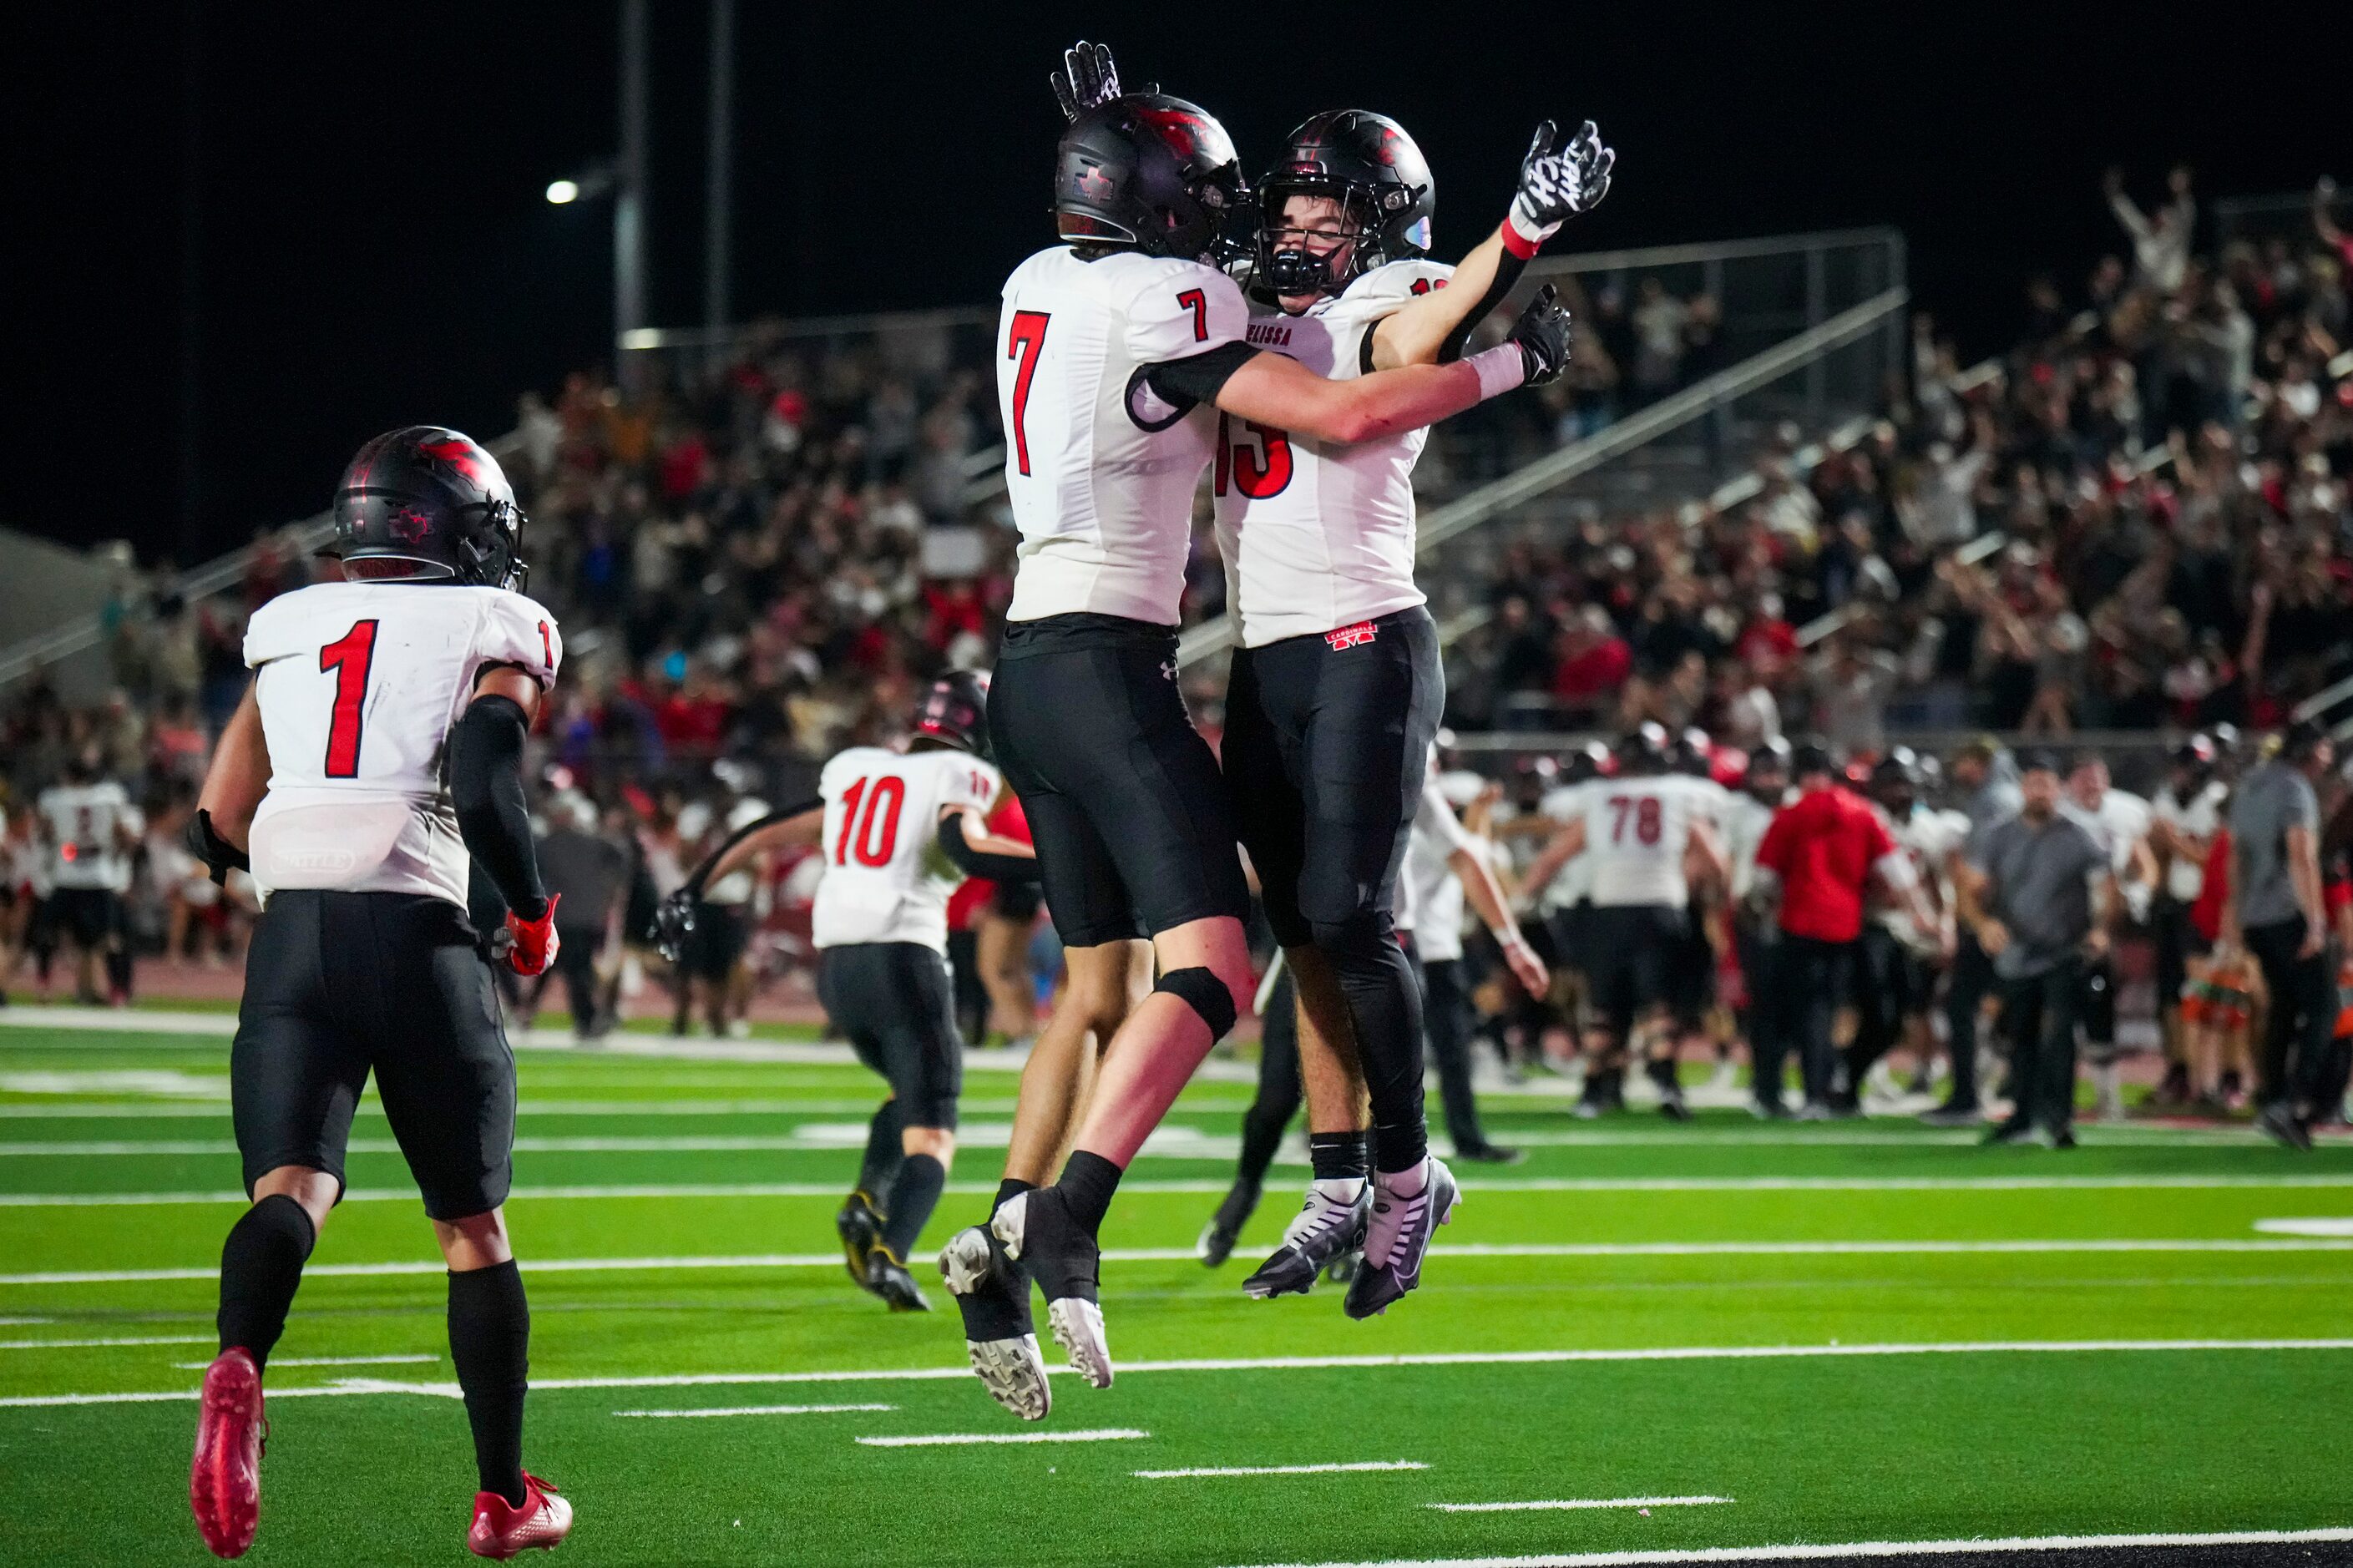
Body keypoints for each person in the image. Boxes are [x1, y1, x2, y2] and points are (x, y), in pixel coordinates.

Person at [936, 42, 1575, 1421]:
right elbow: (1337, 401)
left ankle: (1040, 1216)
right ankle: (1064, 1217)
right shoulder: (1194, 301)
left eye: (1300, 207)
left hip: (1056, 654)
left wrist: (1099, 139)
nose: (1264, 223)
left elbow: (1372, 338)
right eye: (1235, 202)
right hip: (1124, 661)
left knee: (1131, 973)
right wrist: (1514, 358)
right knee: (1228, 961)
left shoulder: (1045, 280)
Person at [1212, 105, 1607, 1313]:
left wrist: (1523, 229)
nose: (1291, 227)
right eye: (1285, 205)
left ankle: (1406, 1173)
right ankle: (1335, 1182)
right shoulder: (1243, 298)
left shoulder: (1396, 284)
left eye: (1319, 207)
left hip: (1361, 640)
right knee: (1300, 935)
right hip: (1261, 653)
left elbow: (1413, 339)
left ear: (1375, 217)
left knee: (1351, 914)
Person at [179, 426, 572, 1560]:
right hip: (415, 931)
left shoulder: (290, 625)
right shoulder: (495, 622)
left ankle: (242, 1356)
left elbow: (217, 819)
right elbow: (488, 777)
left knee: (292, 1189)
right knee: (472, 1231)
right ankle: (503, 1500)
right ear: (456, 527)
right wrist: (534, 913)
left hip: (292, 933)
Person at [658, 674, 1035, 1308]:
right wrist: (1061, 863)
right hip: (905, 957)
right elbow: (962, 843)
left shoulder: (860, 771)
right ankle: (892, 1254)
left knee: (907, 1092)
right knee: (934, 1132)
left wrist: (691, 890)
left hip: (838, 971)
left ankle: (867, 1199)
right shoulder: (962, 776)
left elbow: (766, 834)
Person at [1519, 724, 1729, 1120]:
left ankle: (1596, 1089)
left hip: (1609, 909)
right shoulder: (1681, 795)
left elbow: (1554, 858)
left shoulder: (1599, 798)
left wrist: (1519, 899)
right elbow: (1715, 859)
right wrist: (1719, 900)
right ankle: (1667, 1086)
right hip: (1662, 908)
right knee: (1659, 1005)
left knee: (1604, 1007)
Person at [1751, 743, 1937, 1118]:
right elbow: (1898, 873)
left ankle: (1813, 1091)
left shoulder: (1790, 814)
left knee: (1805, 1011)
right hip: (1845, 924)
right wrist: (1923, 916)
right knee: (1834, 1009)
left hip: (1798, 923)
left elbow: (1763, 880)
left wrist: (1758, 910)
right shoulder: (1863, 813)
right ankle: (1831, 1086)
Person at [1958, 751, 2116, 1148]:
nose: (2040, 791)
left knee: (2059, 1035)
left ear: (2059, 789)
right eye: (2033, 783)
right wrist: (1983, 924)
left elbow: (2106, 888)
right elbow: (1970, 891)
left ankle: (2059, 1119)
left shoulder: (2080, 834)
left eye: (2047, 783)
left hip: (2065, 951)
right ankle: (2022, 1117)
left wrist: (2100, 928)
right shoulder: (2000, 835)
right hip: (2016, 954)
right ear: (2022, 788)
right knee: (2018, 1037)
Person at [2223, 721, 2338, 1149]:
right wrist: (2316, 920)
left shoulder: (2250, 785)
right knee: (2324, 1008)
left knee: (2283, 1009)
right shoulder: (2295, 790)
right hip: (2287, 913)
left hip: (2255, 916)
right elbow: (2301, 855)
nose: (2329, 756)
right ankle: (2292, 1102)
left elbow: (2236, 857)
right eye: (2325, 748)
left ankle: (2271, 1097)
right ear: (2310, 750)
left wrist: (2235, 915)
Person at [1847, 749, 1966, 1110]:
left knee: (1906, 1013)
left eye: (1904, 784)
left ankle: (1856, 1075)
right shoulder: (1864, 820)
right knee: (1872, 1008)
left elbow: (1942, 884)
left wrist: (1945, 925)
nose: (1899, 792)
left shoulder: (1931, 828)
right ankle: (1848, 1075)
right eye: (1892, 784)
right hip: (1872, 925)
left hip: (1916, 932)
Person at [1925, 737, 2022, 1125]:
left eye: (1964, 762)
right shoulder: (2008, 797)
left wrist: (1977, 919)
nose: (1959, 772)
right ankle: (2014, 1089)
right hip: (2015, 917)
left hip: (1995, 920)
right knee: (2009, 1006)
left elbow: (1982, 872)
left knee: (1965, 1006)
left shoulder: (1993, 801)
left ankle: (1970, 1095)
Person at [2062, 755, 2158, 1119]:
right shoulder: (2058, 816)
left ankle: (2107, 1097)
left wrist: (2141, 892)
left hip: (2101, 922)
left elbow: (2143, 865)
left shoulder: (2124, 813)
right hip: (2057, 923)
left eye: (2098, 779)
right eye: (2085, 779)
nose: (2093, 786)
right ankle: (2042, 1091)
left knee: (2098, 1005)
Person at [2148, 735, 2227, 1104]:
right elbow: (2157, 851)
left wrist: (2175, 842)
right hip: (2172, 904)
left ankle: (2214, 1077)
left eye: (2185, 766)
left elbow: (2214, 860)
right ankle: (2178, 1070)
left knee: (2206, 993)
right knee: (2168, 995)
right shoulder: (2165, 799)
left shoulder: (2216, 801)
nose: (2179, 773)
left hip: (2204, 906)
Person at [33, 746, 144, 1006]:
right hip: (99, 874)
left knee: (48, 932)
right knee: (110, 938)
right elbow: (122, 834)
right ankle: (117, 992)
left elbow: (46, 833)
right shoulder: (109, 797)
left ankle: (44, 986)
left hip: (66, 874)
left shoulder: (54, 799)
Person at [526, 793, 630, 1039]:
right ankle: (588, 1018)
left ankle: (585, 1018)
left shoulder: (548, 844)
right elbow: (622, 858)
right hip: (580, 916)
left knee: (569, 969)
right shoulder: (592, 843)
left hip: (568, 917)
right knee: (574, 970)